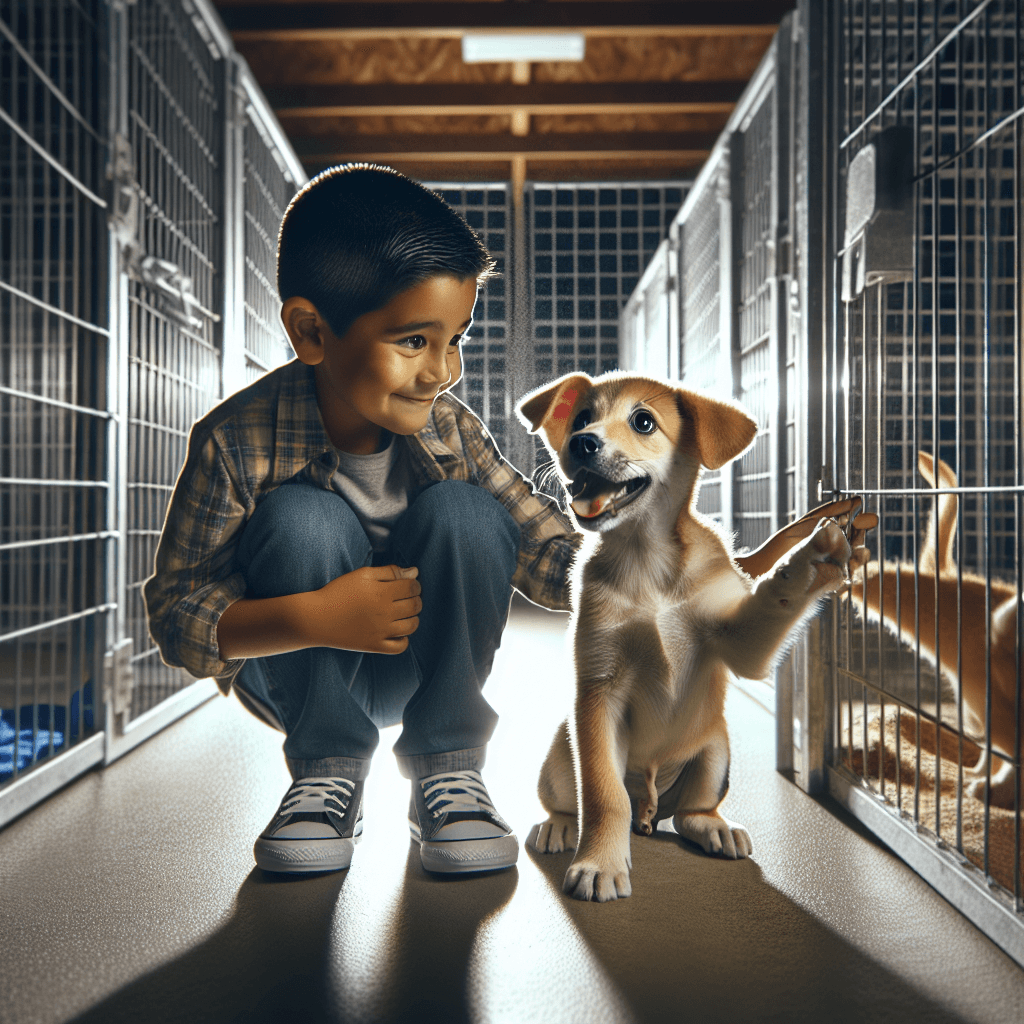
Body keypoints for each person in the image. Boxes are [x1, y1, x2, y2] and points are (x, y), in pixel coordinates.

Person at [143, 164, 582, 876]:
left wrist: (643, 573)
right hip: (294, 674)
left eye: (456, 338)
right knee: (300, 519)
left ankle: (448, 767)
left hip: (422, 665)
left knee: (469, 511)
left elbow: (540, 543)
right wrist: (312, 617)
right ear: (312, 331)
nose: (443, 371)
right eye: (414, 341)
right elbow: (176, 616)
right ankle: (326, 774)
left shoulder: (452, 428)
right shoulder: (236, 440)